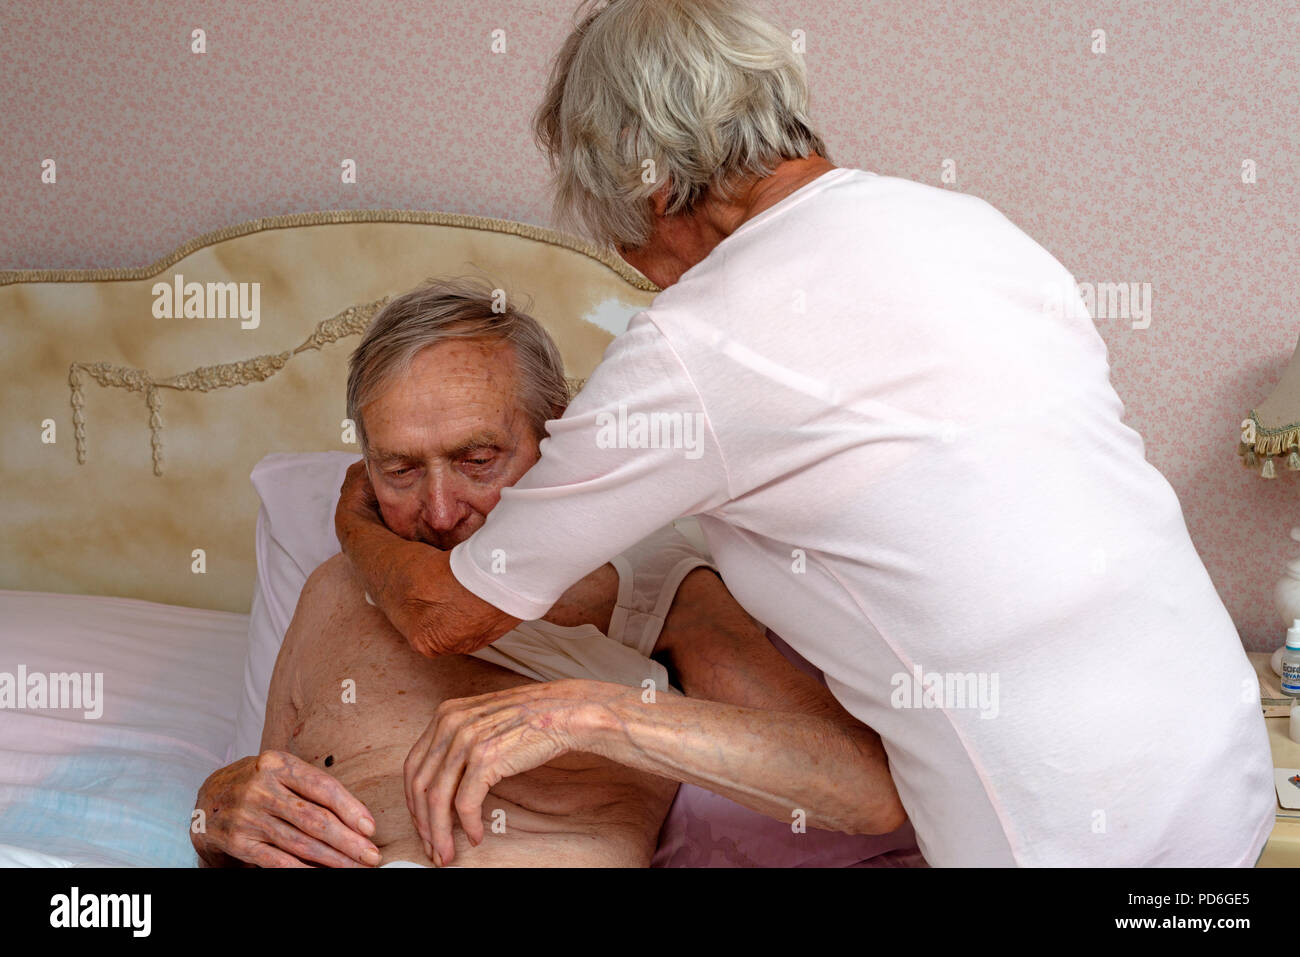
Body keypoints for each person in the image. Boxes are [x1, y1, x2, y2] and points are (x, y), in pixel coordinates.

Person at [334, 0, 1276, 867]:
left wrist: (354, 515)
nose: (634, 269)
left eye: (621, 237)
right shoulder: (973, 228)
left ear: (653, 186)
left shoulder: (696, 343)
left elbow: (443, 614)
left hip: (1057, 827)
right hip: (1221, 772)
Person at [191, 279, 908, 867]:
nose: (440, 512)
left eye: (477, 460)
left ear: (553, 435)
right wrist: (210, 817)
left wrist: (587, 715)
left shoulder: (647, 584)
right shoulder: (335, 589)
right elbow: (255, 821)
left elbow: (861, 785)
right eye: (401, 469)